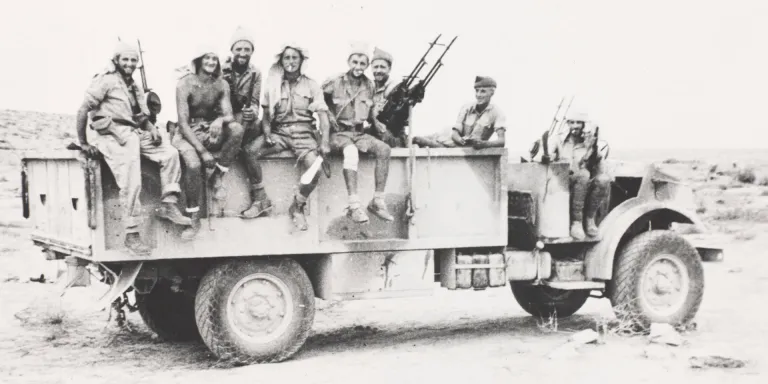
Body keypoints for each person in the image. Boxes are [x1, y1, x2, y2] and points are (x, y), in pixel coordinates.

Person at [74, 41, 191, 256]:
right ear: (117, 60)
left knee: (170, 153)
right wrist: (83, 143)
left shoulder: (133, 85)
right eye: (125, 59)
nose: (129, 63)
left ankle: (168, 203)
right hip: (108, 134)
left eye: (133, 60)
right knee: (130, 177)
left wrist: (150, 128)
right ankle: (131, 233)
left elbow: (139, 116)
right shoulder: (106, 80)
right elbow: (83, 110)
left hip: (132, 132)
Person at [241, 44, 331, 230]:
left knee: (316, 169)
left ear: (301, 61)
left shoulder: (312, 85)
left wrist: (325, 142)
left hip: (304, 134)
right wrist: (266, 134)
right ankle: (260, 199)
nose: (290, 62)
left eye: (294, 58)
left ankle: (297, 206)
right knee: (249, 151)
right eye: (287, 58)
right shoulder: (272, 84)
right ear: (281, 61)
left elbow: (323, 116)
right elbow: (265, 116)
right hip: (280, 132)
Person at [173, 44, 248, 239]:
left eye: (214, 59)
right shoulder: (184, 84)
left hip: (208, 129)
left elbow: (229, 115)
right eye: (207, 58)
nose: (211, 62)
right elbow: (182, 123)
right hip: (187, 133)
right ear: (198, 61)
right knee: (194, 164)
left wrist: (219, 120)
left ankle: (218, 176)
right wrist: (203, 152)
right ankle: (193, 218)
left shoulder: (221, 84)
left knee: (237, 129)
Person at [322, 43, 394, 223]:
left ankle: (378, 201)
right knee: (351, 152)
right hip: (339, 134)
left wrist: (375, 122)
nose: (358, 67)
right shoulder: (334, 82)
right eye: (355, 62)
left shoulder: (368, 85)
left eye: (363, 64)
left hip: (359, 133)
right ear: (348, 61)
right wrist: (328, 116)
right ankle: (354, 206)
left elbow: (368, 110)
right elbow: (318, 100)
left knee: (384, 149)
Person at [552, 111, 610, 240]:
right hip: (563, 182)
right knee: (583, 174)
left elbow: (600, 165)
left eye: (579, 122)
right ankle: (576, 222)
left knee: (602, 180)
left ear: (584, 125)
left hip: (584, 183)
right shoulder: (559, 140)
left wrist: (592, 148)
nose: (575, 126)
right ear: (568, 124)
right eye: (572, 122)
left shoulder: (589, 141)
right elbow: (544, 156)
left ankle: (589, 219)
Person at [412, 76, 506, 149]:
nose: (478, 95)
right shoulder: (466, 107)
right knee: (416, 140)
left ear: (492, 93)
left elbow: (501, 141)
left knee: (419, 140)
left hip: (455, 148)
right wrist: (459, 139)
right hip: (446, 137)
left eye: (483, 92)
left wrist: (484, 144)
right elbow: (455, 132)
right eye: (477, 91)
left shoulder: (497, 113)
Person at [222, 26, 262, 142]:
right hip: (222, 117)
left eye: (247, 49)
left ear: (252, 51)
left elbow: (255, 102)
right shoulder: (221, 69)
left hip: (240, 116)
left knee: (256, 125)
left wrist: (252, 112)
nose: (243, 53)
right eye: (238, 49)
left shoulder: (256, 73)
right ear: (232, 50)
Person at [369, 47, 408, 147]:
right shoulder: (369, 87)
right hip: (374, 129)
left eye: (382, 67)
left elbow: (401, 117)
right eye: (375, 67)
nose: (378, 70)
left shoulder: (396, 88)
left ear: (389, 69)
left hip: (392, 133)